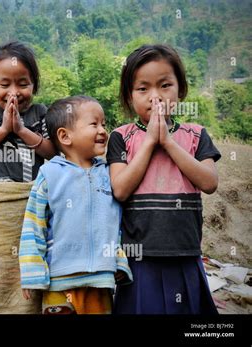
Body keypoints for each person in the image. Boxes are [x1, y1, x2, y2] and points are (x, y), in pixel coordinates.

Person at [107, 44, 220, 314]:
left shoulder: (195, 135)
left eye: (165, 85)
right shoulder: (121, 136)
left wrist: (168, 142)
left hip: (185, 253)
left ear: (180, 90)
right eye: (143, 88)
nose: (154, 97)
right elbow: (120, 190)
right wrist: (149, 144)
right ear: (129, 96)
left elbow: (209, 182)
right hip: (139, 258)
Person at [0, 41, 56, 313]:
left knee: (28, 282)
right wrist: (4, 130)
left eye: (23, 83)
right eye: (5, 84)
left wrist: (22, 130)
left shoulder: (41, 114)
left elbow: (52, 151)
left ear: (34, 86)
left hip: (32, 209)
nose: (14, 92)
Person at [19, 96, 132, 314]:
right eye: (94, 124)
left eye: (104, 124)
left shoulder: (109, 174)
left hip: (100, 281)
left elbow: (115, 223)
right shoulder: (50, 175)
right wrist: (32, 272)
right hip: (59, 280)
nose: (102, 130)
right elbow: (33, 225)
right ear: (65, 136)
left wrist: (118, 261)